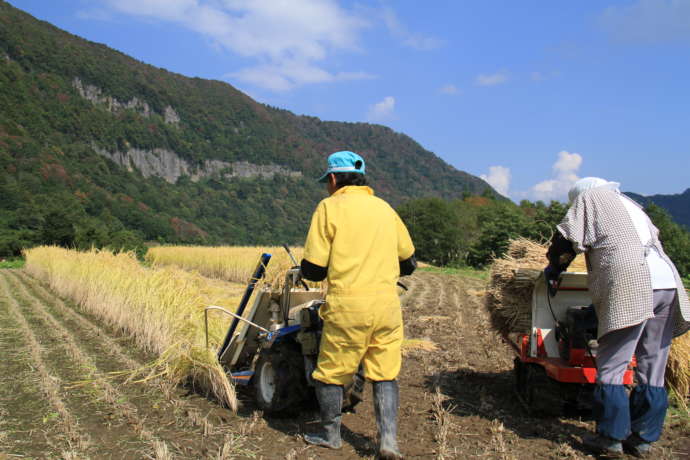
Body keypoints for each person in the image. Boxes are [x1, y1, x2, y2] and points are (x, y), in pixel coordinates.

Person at [546, 177, 690, 457]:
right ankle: (643, 438)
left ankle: (611, 438)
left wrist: (554, 268)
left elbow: (566, 240)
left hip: (632, 283)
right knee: (653, 365)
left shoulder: (589, 199)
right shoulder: (630, 203)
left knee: (612, 363)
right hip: (667, 284)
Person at [299, 150, 416, 460]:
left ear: (334, 179)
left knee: (330, 372)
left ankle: (330, 435)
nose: (327, 186)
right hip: (387, 307)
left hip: (348, 306)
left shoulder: (329, 207)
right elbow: (409, 262)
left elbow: (313, 269)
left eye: (328, 181)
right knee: (385, 372)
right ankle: (388, 441)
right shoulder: (385, 209)